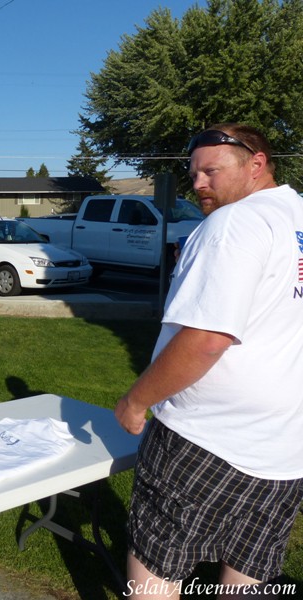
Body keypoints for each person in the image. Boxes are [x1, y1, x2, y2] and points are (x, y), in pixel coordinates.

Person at [115, 124, 303, 599]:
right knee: (247, 575)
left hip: (206, 438)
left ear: (256, 164)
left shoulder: (234, 224)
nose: (198, 183)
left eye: (211, 171)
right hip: (285, 449)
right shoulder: (296, 219)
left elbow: (207, 339)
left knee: (155, 575)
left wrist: (137, 402)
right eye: (193, 173)